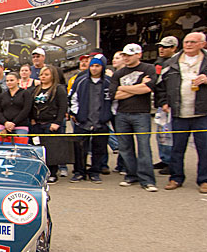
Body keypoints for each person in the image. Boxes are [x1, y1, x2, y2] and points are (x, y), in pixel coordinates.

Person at [157, 32, 207, 193]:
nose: (188, 45)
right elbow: (160, 86)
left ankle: (205, 180)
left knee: (205, 148)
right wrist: (164, 102)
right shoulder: (172, 62)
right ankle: (175, 177)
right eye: (186, 42)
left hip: (203, 112)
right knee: (177, 148)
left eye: (193, 42)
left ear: (202, 44)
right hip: (179, 113)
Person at [112, 43, 159, 192]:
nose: (126, 58)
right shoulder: (118, 73)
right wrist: (138, 87)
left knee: (144, 147)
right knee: (125, 148)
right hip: (122, 114)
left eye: (129, 55)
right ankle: (131, 175)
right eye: (124, 55)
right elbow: (115, 94)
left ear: (139, 55)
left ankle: (147, 180)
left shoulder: (148, 69)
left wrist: (124, 88)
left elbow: (148, 88)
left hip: (141, 113)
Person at [69, 54, 112, 183]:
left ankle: (95, 172)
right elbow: (73, 98)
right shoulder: (81, 81)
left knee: (99, 148)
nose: (94, 68)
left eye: (97, 66)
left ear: (103, 67)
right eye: (92, 66)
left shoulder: (108, 83)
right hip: (83, 121)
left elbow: (113, 101)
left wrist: (107, 116)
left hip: (100, 121)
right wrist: (76, 114)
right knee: (80, 148)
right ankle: (79, 171)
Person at [30, 66, 68, 184]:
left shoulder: (58, 89)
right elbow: (31, 105)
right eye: (41, 75)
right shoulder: (36, 89)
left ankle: (52, 172)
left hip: (51, 124)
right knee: (37, 150)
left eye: (46, 74)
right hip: (37, 124)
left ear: (52, 76)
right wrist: (32, 118)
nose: (43, 77)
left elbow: (63, 107)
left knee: (51, 150)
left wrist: (57, 122)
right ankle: (40, 172)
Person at [153, 36, 180, 173]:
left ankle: (172, 163)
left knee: (170, 136)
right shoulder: (160, 63)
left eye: (166, 47)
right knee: (161, 134)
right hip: (161, 104)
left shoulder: (178, 62)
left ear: (174, 48)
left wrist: (167, 102)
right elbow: (159, 85)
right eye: (160, 46)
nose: (161, 49)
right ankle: (164, 159)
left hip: (172, 105)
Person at [0, 72, 32, 144]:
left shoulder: (25, 93)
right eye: (7, 81)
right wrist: (5, 123)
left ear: (18, 81)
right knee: (3, 150)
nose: (9, 82)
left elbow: (26, 109)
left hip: (20, 126)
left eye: (11, 80)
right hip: (4, 127)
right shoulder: (2, 95)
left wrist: (13, 123)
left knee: (20, 149)